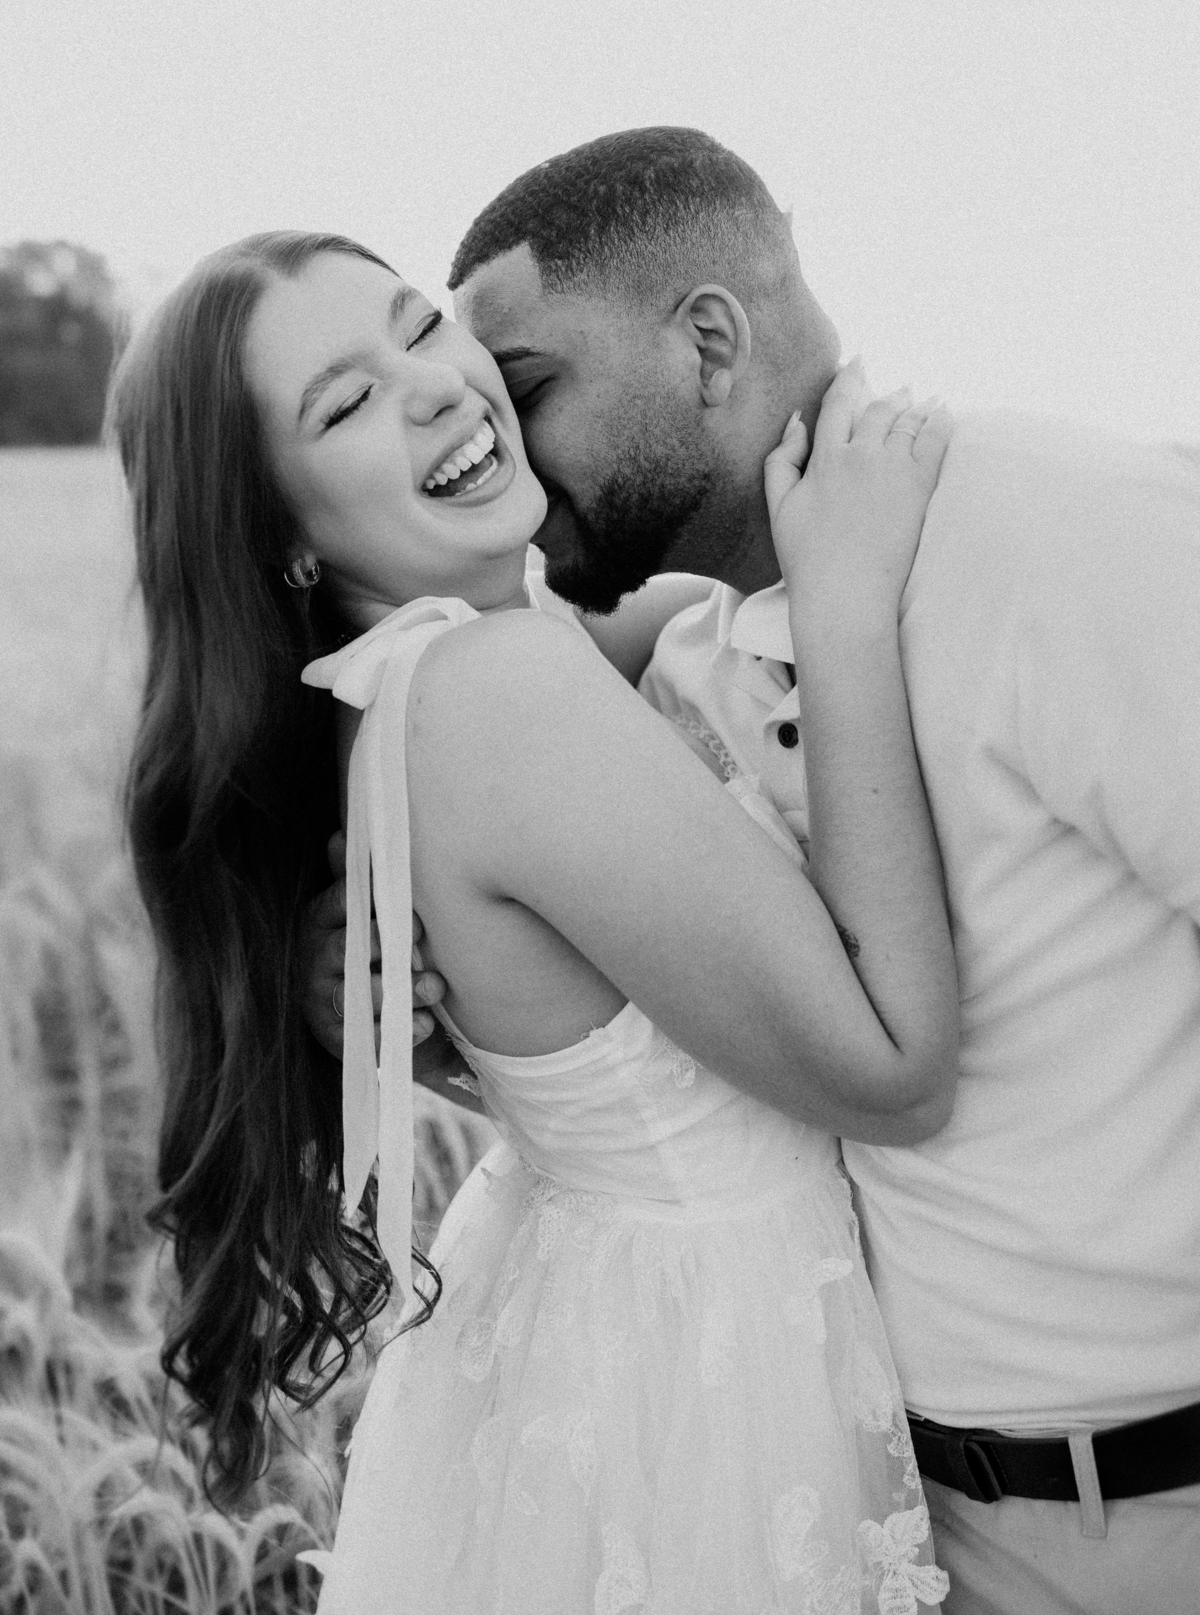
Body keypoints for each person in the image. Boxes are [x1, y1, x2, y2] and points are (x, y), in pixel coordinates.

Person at [110, 228, 958, 1613]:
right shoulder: (500, 692)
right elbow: (893, 1068)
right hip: (707, 1384)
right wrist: (845, 606)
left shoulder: (415, 679)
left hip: (595, 1322)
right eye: (346, 402)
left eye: (418, 328)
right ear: (279, 537)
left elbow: (645, 638)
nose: (435, 387)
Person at [422, 127, 1200, 1613]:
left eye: (527, 391)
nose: (504, 454)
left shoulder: (1060, 533)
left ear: (708, 343)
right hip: (895, 1529)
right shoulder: (690, 674)